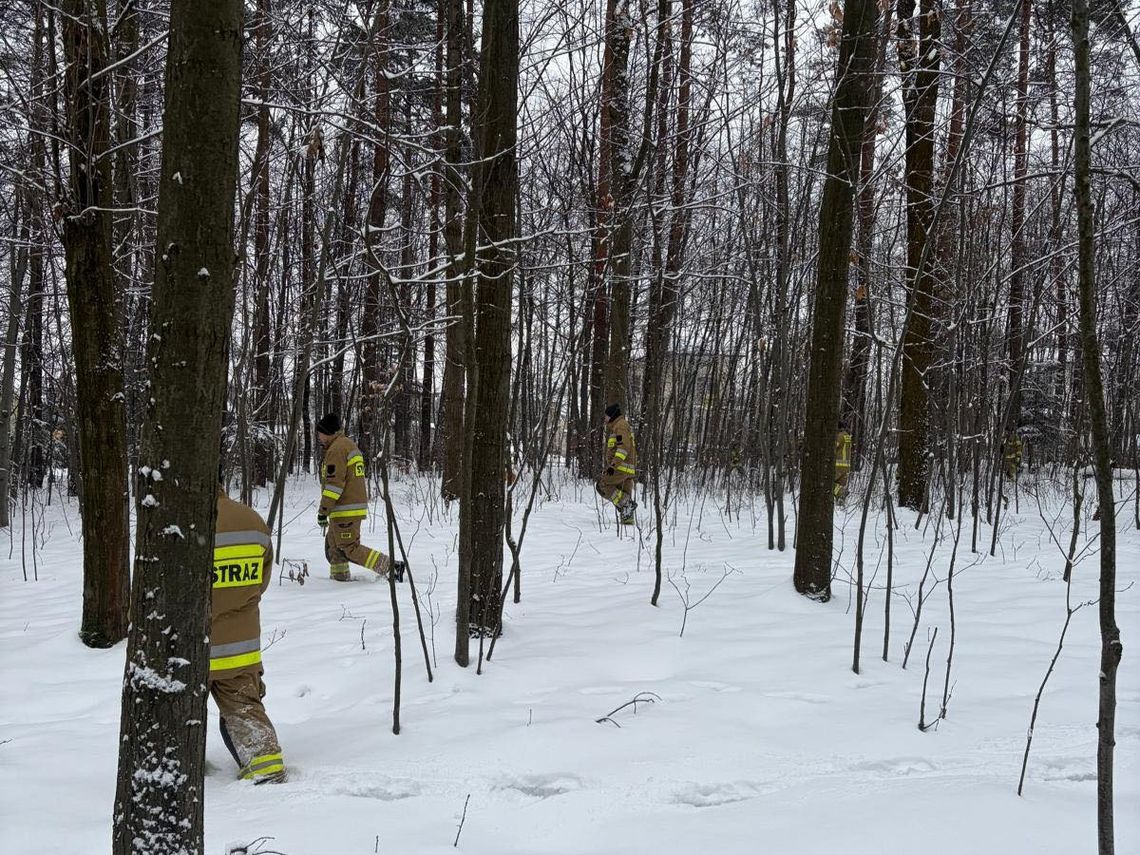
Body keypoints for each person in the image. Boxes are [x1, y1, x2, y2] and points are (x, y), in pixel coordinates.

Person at [211, 484, 285, 783]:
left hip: (187, 648)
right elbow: (260, 584)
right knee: (244, 710)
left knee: (173, 719)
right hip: (240, 648)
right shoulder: (253, 522)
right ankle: (267, 768)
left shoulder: (177, 521)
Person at [315, 412, 406, 582]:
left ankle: (391, 566)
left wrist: (323, 511)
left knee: (349, 548)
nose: (318, 437)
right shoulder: (347, 445)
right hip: (346, 508)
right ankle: (339, 578)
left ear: (328, 432)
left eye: (320, 433)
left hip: (344, 509)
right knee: (334, 546)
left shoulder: (336, 450)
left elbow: (334, 485)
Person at [596, 403, 637, 525]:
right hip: (627, 467)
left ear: (612, 415)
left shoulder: (620, 426)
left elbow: (623, 448)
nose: (605, 418)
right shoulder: (620, 426)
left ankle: (627, 504)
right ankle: (628, 521)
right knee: (623, 491)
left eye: (606, 416)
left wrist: (613, 466)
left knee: (602, 485)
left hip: (621, 467)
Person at [834, 422, 853, 502]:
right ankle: (840, 500)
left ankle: (842, 492)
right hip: (846, 465)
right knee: (839, 484)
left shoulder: (840, 436)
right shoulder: (847, 436)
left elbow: (834, 446)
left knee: (828, 483)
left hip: (838, 465)